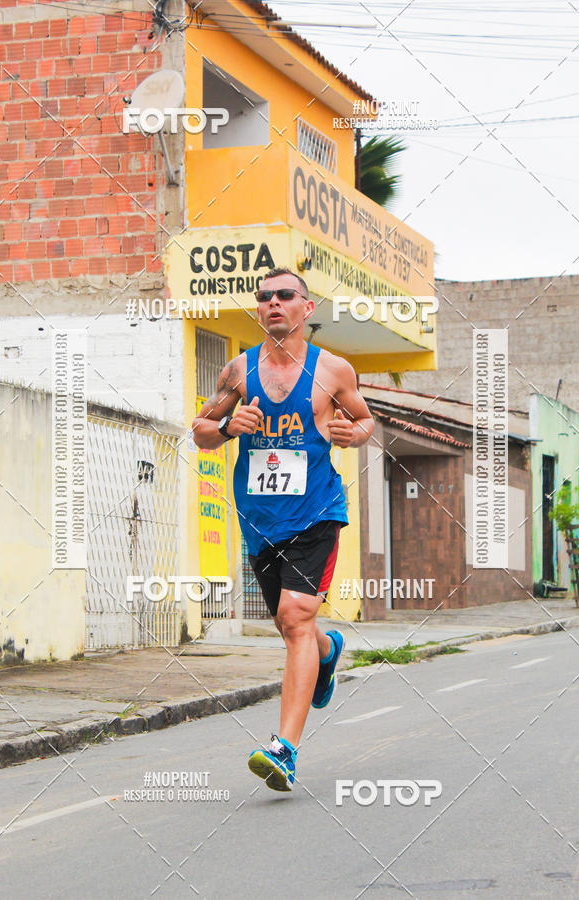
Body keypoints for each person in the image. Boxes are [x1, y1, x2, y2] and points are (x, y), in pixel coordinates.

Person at [192, 267, 373, 791]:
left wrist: (350, 433)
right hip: (259, 519)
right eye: (264, 297)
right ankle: (327, 650)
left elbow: (364, 420)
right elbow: (201, 431)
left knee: (295, 615)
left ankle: (284, 750)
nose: (274, 303)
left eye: (285, 295)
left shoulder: (333, 371)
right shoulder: (238, 371)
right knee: (291, 625)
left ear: (305, 308)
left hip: (317, 512)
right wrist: (228, 427)